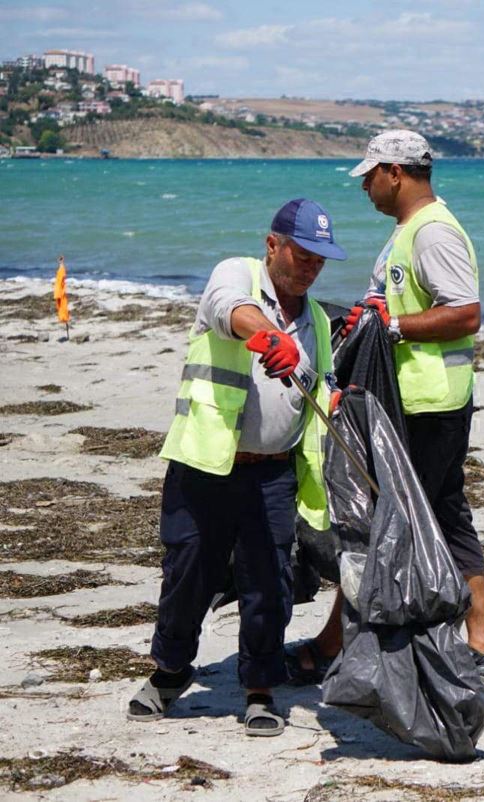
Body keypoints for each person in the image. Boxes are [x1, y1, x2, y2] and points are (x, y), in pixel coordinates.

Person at [287, 129, 484, 682]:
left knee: (381, 521)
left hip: (423, 403)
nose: (365, 186)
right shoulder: (409, 231)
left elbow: (465, 313)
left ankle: (334, 642)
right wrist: (370, 313)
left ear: (396, 172)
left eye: (370, 174)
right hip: (427, 399)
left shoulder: (432, 232)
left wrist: (390, 326)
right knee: (444, 511)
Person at [127, 199, 346, 736]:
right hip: (206, 463)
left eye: (320, 259)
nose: (311, 267)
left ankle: (260, 688)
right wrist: (269, 337)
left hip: (273, 475)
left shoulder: (318, 320)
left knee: (268, 584)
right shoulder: (236, 274)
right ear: (273, 245)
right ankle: (170, 673)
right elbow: (229, 309)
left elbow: (323, 394)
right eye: (302, 253)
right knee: (188, 575)